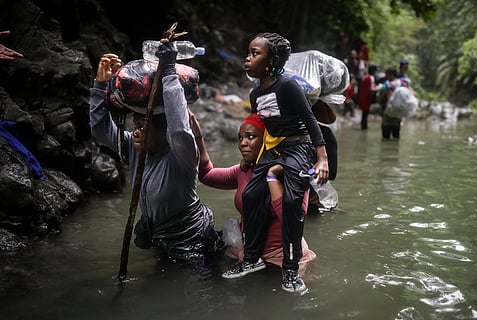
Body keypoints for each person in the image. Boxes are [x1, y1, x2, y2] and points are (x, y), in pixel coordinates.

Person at [89, 40, 225, 267]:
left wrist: (170, 72)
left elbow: (180, 127)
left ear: (164, 133)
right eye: (135, 123)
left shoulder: (181, 155)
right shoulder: (134, 148)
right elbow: (100, 129)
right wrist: (100, 86)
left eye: (143, 125)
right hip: (160, 236)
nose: (135, 131)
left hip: (191, 241)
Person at [221, 32, 329, 293]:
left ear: (271, 60)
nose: (247, 58)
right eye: (248, 53)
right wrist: (251, 158)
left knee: (292, 202)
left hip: (299, 148)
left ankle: (291, 270)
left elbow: (310, 119)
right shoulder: (255, 94)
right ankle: (252, 259)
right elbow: (261, 130)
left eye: (254, 53)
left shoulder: (288, 86)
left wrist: (322, 157)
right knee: (251, 194)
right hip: (274, 149)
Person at [189, 112, 317, 274]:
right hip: (251, 257)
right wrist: (198, 138)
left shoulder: (291, 171)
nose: (243, 143)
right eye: (240, 138)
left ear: (267, 140)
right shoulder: (244, 170)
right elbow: (206, 175)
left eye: (250, 137)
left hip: (282, 259)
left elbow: (291, 221)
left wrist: (272, 177)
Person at [376, 67, 405, 139]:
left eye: (387, 75)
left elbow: (378, 99)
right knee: (396, 136)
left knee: (385, 137)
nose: (385, 77)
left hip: (388, 113)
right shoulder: (402, 83)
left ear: (391, 75)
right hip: (398, 113)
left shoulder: (388, 85)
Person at [357, 64, 378, 130]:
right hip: (367, 99)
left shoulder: (365, 77)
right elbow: (371, 89)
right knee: (365, 114)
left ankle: (363, 127)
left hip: (362, 97)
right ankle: (364, 128)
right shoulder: (371, 78)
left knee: (364, 114)